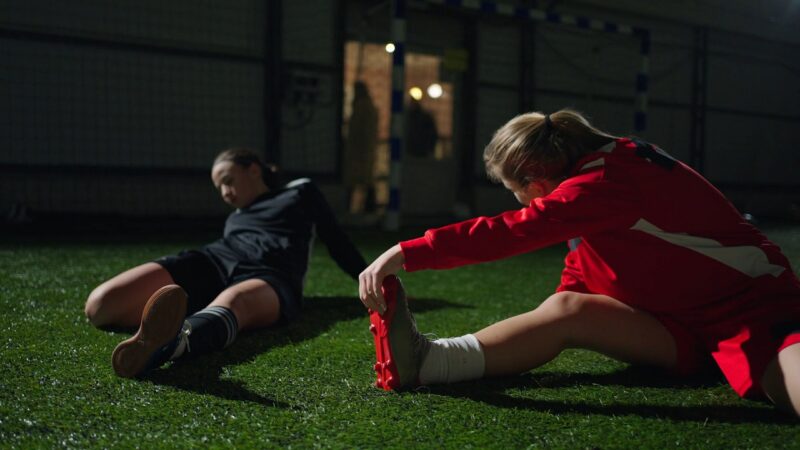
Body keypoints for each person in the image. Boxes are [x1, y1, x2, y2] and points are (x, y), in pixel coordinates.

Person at [358, 109, 800, 416]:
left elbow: (510, 231)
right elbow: (584, 272)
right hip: (680, 321)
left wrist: (404, 253)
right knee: (567, 307)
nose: (519, 201)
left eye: (515, 190)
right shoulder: (596, 173)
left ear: (535, 180)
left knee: (782, 384)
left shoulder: (602, 181)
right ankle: (431, 362)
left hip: (755, 310)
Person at [85, 147, 367, 378]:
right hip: (214, 259)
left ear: (254, 170)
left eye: (228, 180)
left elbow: (337, 241)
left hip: (270, 274)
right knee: (100, 305)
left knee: (235, 301)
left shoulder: (300, 191)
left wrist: (369, 279)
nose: (224, 193)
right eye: (219, 187)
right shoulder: (236, 217)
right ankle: (179, 320)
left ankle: (169, 344)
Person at [343, 81, 379, 214]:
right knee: (365, 181)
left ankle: (355, 208)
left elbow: (359, 132)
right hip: (364, 150)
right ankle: (368, 207)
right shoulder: (368, 107)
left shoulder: (361, 107)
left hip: (359, 151)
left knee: (357, 181)